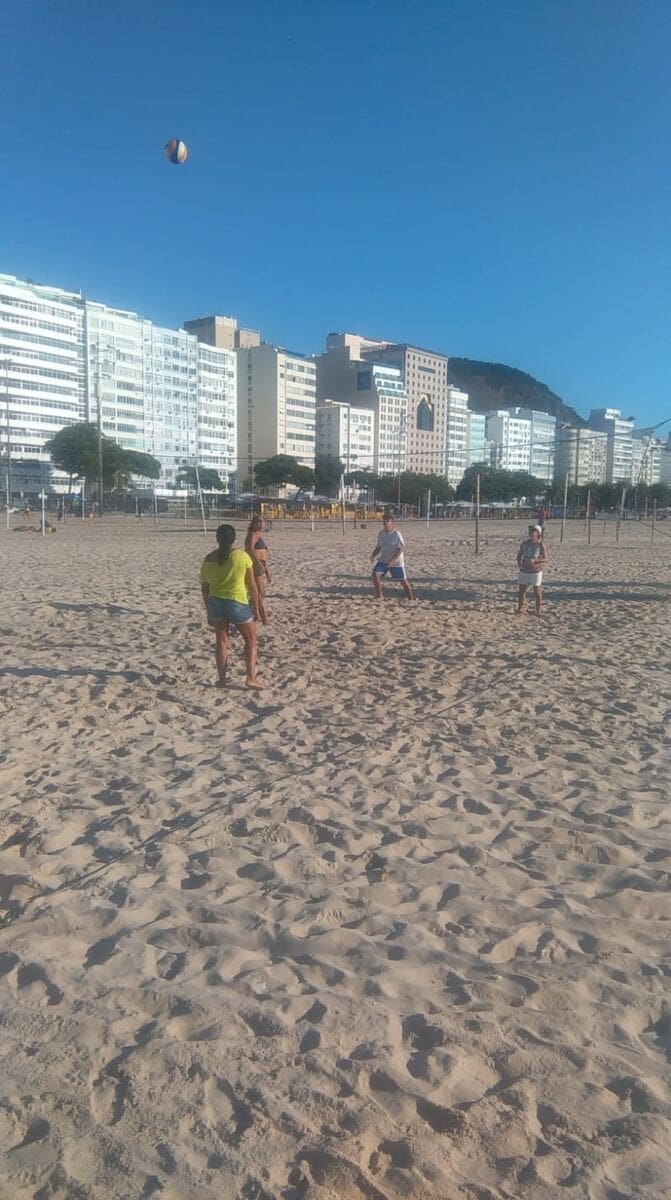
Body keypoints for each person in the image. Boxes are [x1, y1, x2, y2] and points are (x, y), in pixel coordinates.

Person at [200, 524, 263, 688]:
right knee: (251, 640)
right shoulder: (242, 556)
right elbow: (252, 586)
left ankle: (222, 680)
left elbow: (204, 588)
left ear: (217, 538)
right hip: (236, 602)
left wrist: (208, 610)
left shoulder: (208, 559)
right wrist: (256, 607)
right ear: (234, 538)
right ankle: (251, 677)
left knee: (221, 642)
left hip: (215, 602)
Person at [370, 513, 413, 600]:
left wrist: (393, 560)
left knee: (403, 581)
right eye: (384, 521)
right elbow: (379, 547)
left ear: (392, 523)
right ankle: (379, 595)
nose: (386, 523)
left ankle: (410, 598)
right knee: (375, 575)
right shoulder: (381, 533)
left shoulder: (397, 533)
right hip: (383, 560)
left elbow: (402, 548)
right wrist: (373, 555)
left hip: (396, 562)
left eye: (388, 521)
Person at [517, 524, 548, 616]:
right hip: (524, 570)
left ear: (538, 533)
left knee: (537, 591)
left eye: (533, 531)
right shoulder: (524, 543)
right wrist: (519, 564)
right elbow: (519, 555)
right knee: (522, 590)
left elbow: (546, 558)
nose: (530, 533)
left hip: (535, 571)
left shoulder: (540, 545)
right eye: (530, 531)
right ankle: (520, 608)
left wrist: (535, 560)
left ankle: (538, 610)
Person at [244, 516, 270, 625]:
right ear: (253, 523)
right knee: (259, 592)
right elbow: (249, 549)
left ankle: (254, 611)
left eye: (262, 521)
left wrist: (267, 571)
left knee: (260, 592)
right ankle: (263, 617)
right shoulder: (252, 535)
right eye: (258, 521)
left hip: (260, 566)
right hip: (254, 566)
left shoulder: (259, 534)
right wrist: (257, 563)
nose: (261, 523)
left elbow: (262, 553)